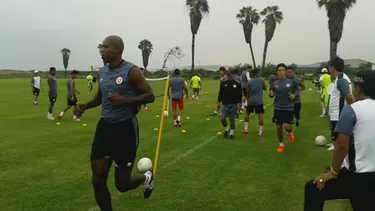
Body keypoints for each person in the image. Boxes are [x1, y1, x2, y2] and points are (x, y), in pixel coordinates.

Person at [75, 35, 155, 211]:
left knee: (122, 184)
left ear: (117, 49)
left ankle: (146, 178)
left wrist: (124, 100)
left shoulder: (132, 71)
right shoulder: (102, 72)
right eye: (101, 47)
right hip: (105, 128)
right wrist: (85, 106)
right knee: (98, 178)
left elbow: (150, 96)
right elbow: (101, 96)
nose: (101, 50)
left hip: (125, 129)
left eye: (105, 47)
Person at [304, 69, 375, 211]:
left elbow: (342, 146)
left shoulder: (352, 110)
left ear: (358, 88)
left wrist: (332, 173)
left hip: (357, 177)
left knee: (313, 189)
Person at [326, 56, 354, 151]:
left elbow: (349, 97)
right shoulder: (339, 78)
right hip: (336, 113)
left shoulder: (341, 79)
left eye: (329, 66)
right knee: (336, 137)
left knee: (339, 142)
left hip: (339, 114)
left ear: (332, 67)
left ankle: (340, 164)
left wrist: (348, 109)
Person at [269, 63, 298, 152]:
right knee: (278, 127)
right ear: (277, 72)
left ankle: (290, 132)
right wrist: (271, 94)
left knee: (286, 126)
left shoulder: (292, 81)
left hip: (289, 107)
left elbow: (297, 90)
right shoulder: (274, 83)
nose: (281, 72)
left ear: (285, 72)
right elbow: (271, 93)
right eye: (279, 70)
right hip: (278, 107)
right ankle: (281, 144)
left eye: (283, 70)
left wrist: (294, 95)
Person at [241, 68, 267, 136]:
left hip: (251, 101)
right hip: (259, 101)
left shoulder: (249, 81)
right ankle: (260, 132)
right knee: (260, 115)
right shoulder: (262, 80)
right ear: (258, 73)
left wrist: (247, 100)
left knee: (247, 113)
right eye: (260, 72)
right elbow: (265, 88)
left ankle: (246, 129)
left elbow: (248, 92)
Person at [218, 70, 242, 140]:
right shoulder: (223, 83)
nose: (229, 76)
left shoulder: (237, 84)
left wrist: (239, 104)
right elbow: (220, 94)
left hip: (233, 104)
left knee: (232, 119)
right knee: (222, 118)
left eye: (230, 75)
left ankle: (232, 133)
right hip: (224, 104)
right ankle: (226, 129)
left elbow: (239, 95)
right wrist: (218, 102)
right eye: (228, 75)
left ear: (233, 75)